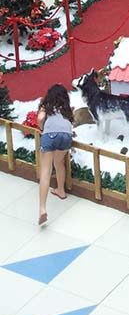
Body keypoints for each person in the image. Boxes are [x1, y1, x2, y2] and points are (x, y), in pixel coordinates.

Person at [37, 84, 74, 225]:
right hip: (66, 136)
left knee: (46, 171)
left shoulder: (46, 106)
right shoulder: (66, 110)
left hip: (50, 135)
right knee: (59, 163)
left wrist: (42, 129)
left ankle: (42, 209)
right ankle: (61, 190)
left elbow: (40, 119)